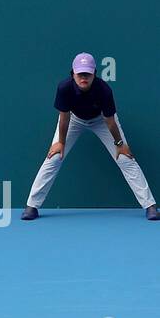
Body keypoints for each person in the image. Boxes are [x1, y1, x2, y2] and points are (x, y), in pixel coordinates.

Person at [21, 52, 158, 221]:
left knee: (125, 159)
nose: (83, 77)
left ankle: (150, 206)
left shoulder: (104, 90)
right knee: (54, 157)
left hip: (101, 121)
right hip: (73, 120)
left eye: (87, 74)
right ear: (73, 74)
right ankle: (32, 206)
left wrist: (120, 143)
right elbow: (64, 118)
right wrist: (60, 142)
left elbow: (110, 122)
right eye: (80, 74)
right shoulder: (64, 88)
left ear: (94, 74)